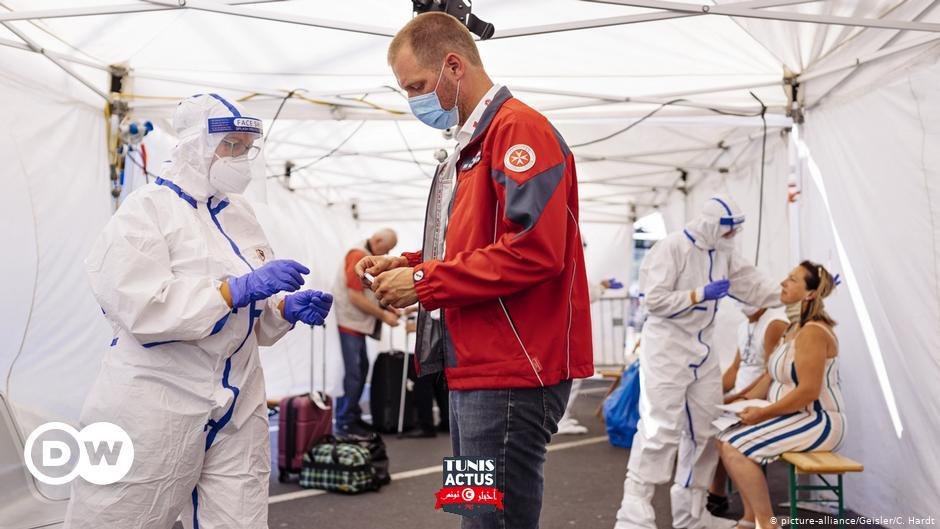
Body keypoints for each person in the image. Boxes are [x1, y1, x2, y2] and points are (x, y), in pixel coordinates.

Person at [357, 12, 594, 528]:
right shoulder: (475, 145)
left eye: (416, 86)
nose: (414, 100)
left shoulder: (518, 130)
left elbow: (535, 250)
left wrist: (422, 281)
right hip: (475, 368)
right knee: (476, 512)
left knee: (493, 521)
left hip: (510, 369)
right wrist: (409, 263)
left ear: (453, 65)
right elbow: (471, 246)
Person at [64, 94, 333, 529]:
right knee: (124, 515)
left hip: (239, 399)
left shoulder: (240, 213)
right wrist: (232, 291)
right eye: (231, 145)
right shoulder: (148, 210)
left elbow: (252, 315)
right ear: (195, 145)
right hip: (158, 398)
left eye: (246, 148)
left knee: (240, 518)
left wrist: (283, 309)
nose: (239, 157)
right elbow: (140, 308)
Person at [615, 195, 781, 529]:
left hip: (702, 350)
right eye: (729, 229)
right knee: (660, 429)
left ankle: (692, 515)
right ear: (711, 225)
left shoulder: (723, 252)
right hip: (667, 349)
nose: (734, 235)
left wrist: (797, 294)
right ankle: (633, 516)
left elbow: (753, 285)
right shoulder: (672, 248)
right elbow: (653, 300)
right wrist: (699, 294)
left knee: (705, 429)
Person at [717, 262, 843, 529]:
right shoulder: (792, 329)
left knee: (734, 447)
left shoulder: (812, 331)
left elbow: (808, 391)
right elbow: (768, 378)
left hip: (819, 420)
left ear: (810, 293)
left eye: (793, 279)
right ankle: (751, 519)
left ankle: (767, 523)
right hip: (797, 416)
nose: (783, 283)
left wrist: (763, 413)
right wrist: (733, 403)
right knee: (723, 435)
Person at [707, 304, 787, 515]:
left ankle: (748, 511)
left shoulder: (773, 324)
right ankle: (715, 494)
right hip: (742, 399)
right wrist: (712, 393)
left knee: (722, 432)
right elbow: (735, 369)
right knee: (706, 421)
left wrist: (737, 399)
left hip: (760, 401)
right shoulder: (744, 326)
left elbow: (770, 375)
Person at [332, 229, 400, 438]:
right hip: (350, 323)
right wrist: (383, 315)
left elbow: (368, 292)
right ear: (377, 241)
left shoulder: (363, 255)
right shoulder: (358, 256)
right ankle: (345, 422)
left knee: (360, 370)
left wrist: (390, 308)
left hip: (356, 324)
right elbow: (355, 296)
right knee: (354, 373)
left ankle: (351, 416)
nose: (386, 254)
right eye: (387, 249)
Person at [558, 277, 625, 435]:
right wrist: (602, 287)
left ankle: (560, 417)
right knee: (571, 378)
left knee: (568, 378)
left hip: (564, 330)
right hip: (567, 331)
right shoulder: (570, 268)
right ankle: (560, 419)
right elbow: (586, 292)